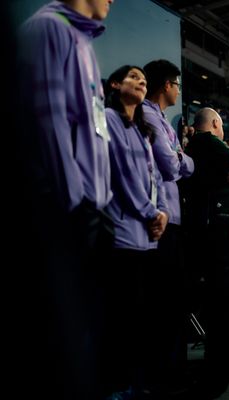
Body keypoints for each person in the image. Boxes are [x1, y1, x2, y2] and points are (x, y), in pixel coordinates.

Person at [17, 1, 114, 398]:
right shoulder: (48, 28)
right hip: (68, 204)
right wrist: (74, 198)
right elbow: (48, 117)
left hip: (91, 203)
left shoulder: (82, 40)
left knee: (90, 324)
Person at [102, 65, 169, 398]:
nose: (141, 80)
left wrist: (161, 214)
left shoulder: (143, 129)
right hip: (121, 232)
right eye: (132, 76)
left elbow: (152, 176)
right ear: (116, 84)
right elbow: (121, 173)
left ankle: (138, 384)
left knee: (141, 317)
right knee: (121, 317)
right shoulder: (109, 119)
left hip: (147, 236)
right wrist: (150, 212)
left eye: (144, 78)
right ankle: (119, 387)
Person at [183, 107, 229, 397]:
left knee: (221, 299)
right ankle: (223, 365)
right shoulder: (209, 142)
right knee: (227, 297)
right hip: (219, 233)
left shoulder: (196, 148)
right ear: (215, 123)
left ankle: (225, 361)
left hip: (208, 229)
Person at [142, 59, 194, 385]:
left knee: (174, 298)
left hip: (173, 219)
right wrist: (180, 157)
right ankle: (163, 373)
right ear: (166, 85)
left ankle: (173, 369)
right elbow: (172, 165)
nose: (178, 90)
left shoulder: (162, 119)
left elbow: (183, 162)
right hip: (161, 219)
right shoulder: (148, 115)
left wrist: (179, 157)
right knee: (163, 300)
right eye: (177, 84)